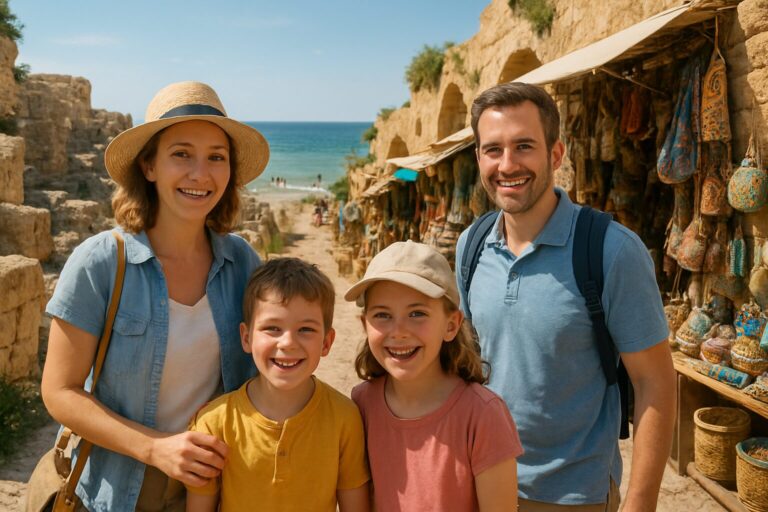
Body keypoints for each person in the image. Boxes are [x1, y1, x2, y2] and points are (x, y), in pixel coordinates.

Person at [41, 81, 270, 512]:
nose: (200, 173)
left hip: (216, 485)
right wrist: (155, 448)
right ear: (149, 166)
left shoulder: (243, 263)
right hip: (118, 487)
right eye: (181, 154)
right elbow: (60, 391)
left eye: (216, 157)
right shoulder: (101, 262)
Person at [456, 82, 676, 511]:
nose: (507, 164)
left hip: (573, 495)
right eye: (493, 150)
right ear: (478, 158)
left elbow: (656, 382)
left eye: (524, 146)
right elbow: (468, 361)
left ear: (555, 154)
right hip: (480, 482)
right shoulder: (471, 244)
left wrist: (641, 502)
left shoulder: (611, 251)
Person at [346, 241, 523, 511]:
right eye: (382, 315)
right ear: (364, 325)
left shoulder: (483, 415)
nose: (399, 331)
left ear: (451, 325)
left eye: (417, 313)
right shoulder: (360, 404)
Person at [186, 258, 370, 511]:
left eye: (305, 329)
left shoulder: (345, 418)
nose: (288, 343)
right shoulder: (214, 423)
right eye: (272, 328)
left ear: (326, 343)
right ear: (247, 337)